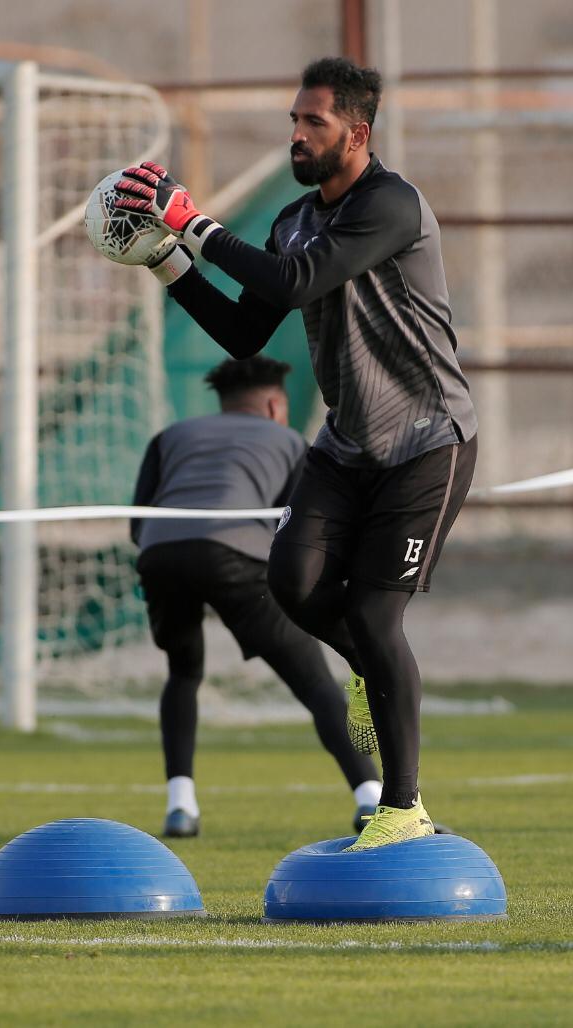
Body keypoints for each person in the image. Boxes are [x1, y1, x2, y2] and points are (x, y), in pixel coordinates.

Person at [115, 56, 477, 849]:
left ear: (358, 132)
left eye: (314, 122)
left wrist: (192, 222)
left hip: (425, 443)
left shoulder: (393, 206)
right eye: (294, 120)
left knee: (379, 619)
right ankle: (371, 672)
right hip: (346, 446)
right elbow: (250, 327)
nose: (298, 134)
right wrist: (170, 263)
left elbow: (292, 283)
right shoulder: (291, 219)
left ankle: (403, 805)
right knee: (290, 580)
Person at [131, 356, 381, 839]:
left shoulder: (171, 437)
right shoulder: (290, 442)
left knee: (183, 673)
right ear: (273, 405)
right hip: (236, 556)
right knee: (316, 685)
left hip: (160, 555)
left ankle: (181, 806)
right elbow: (297, 530)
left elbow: (137, 521)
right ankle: (371, 797)